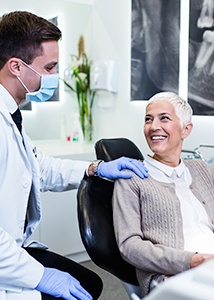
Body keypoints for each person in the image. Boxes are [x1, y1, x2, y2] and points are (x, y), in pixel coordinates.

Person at [0, 11, 148, 300]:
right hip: (6, 261)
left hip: (13, 251)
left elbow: (39, 167)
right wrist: (41, 276)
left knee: (89, 283)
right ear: (16, 66)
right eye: (50, 67)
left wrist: (96, 168)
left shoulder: (11, 116)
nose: (55, 76)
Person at [113, 91, 214, 298]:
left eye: (164, 118)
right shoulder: (132, 178)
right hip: (173, 276)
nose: (153, 127)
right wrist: (192, 260)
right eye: (148, 119)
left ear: (186, 130)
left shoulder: (202, 169)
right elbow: (129, 246)